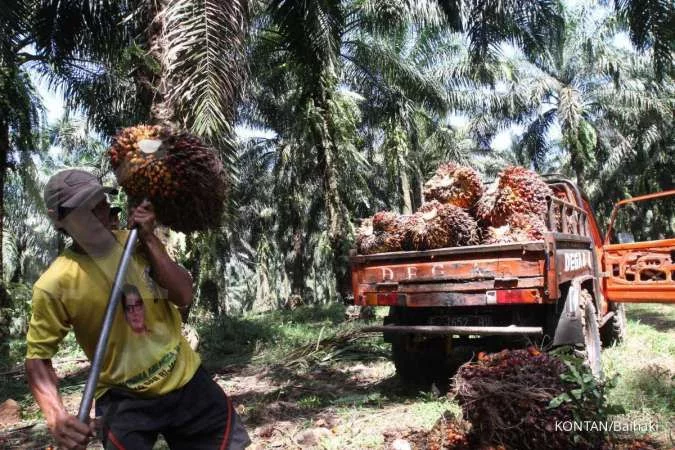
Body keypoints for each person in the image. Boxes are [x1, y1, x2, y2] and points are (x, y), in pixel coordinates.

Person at [25, 169, 250, 450]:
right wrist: (56, 416)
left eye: (100, 202)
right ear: (60, 220)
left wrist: (150, 240)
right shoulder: (54, 285)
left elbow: (183, 295)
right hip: (123, 398)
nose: (99, 212)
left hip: (185, 379)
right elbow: (38, 358)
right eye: (85, 209)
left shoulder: (136, 243)